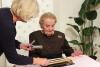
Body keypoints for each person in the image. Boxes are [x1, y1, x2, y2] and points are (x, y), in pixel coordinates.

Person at [0, 0, 49, 66]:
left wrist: (20, 45)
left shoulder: (5, 12)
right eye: (31, 15)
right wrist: (36, 60)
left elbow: (4, 38)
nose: (31, 17)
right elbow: (13, 58)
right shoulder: (7, 25)